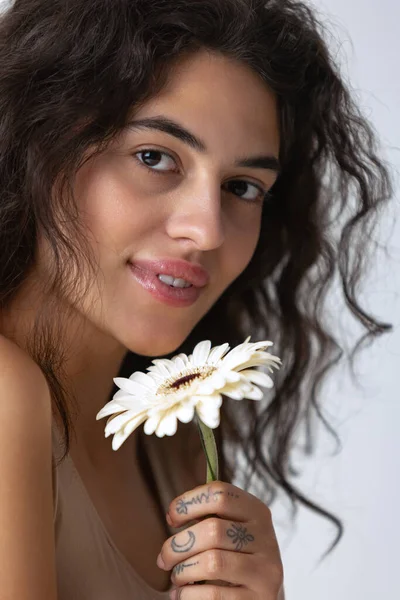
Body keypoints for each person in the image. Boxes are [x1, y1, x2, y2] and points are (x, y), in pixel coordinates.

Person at [0, 0, 393, 598]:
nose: (207, 230)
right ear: (40, 145)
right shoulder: (6, 396)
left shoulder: (171, 431)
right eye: (154, 157)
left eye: (242, 187)